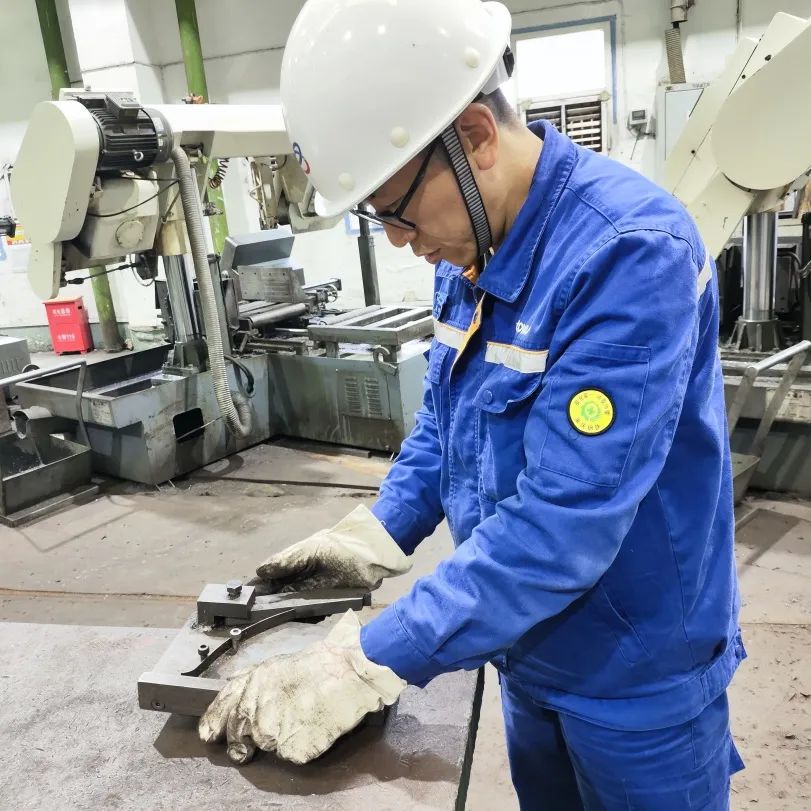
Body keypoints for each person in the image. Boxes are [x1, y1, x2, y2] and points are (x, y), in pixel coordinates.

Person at [199, 1, 746, 807]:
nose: (397, 238)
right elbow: (447, 424)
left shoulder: (628, 252)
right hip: (523, 645)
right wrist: (379, 531)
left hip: (635, 677)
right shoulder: (471, 246)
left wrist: (369, 656)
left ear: (476, 137)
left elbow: (564, 522)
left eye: (396, 208)